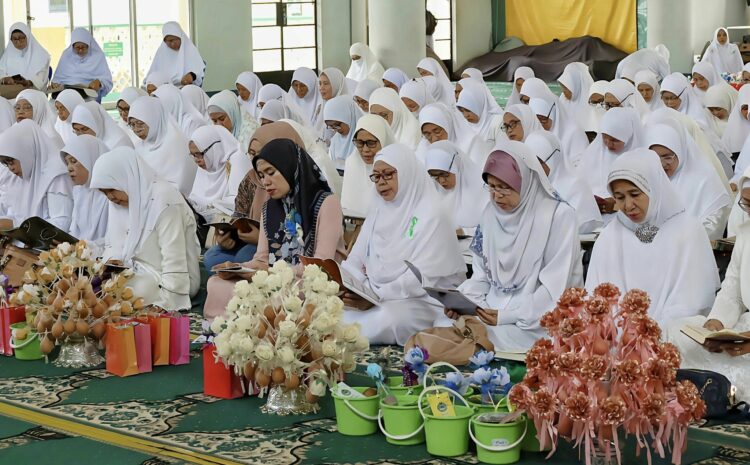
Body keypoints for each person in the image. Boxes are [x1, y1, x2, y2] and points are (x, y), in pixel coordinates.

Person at [436, 142, 583, 350]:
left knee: (484, 336)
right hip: (492, 313)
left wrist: (508, 316)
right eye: (492, 187)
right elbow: (481, 277)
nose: (497, 196)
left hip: (538, 320)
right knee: (443, 323)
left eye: (505, 187)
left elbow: (554, 291)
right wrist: (462, 302)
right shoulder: (491, 213)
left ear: (525, 181)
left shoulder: (558, 217)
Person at [203, 139, 346, 320]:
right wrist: (238, 268)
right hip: (275, 280)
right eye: (261, 176)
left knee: (283, 296)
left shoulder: (326, 203)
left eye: (271, 173)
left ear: (290, 168)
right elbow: (261, 259)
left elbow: (319, 264)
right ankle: (248, 324)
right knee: (217, 283)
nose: (266, 182)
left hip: (312, 281)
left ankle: (254, 323)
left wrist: (271, 275)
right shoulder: (269, 208)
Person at [341, 143, 467, 345]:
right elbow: (355, 259)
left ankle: (347, 335)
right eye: (376, 177)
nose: (381, 183)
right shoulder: (377, 211)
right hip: (374, 295)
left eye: (388, 174)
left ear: (406, 173)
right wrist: (346, 286)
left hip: (420, 300)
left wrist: (375, 296)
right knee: (334, 309)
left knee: (390, 318)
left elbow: (419, 279)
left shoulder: (432, 215)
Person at [585, 149, 719, 327]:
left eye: (635, 194)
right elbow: (596, 297)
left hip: (673, 336)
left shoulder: (688, 231)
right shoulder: (610, 236)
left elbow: (694, 301)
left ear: (654, 188)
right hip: (617, 336)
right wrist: (623, 329)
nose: (628, 205)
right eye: (619, 197)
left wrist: (650, 332)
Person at [90, 147, 200, 311]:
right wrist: (112, 262)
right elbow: (113, 244)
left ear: (126, 178)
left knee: (129, 290)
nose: (110, 197)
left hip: (172, 279)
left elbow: (174, 257)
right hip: (134, 272)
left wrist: (168, 301)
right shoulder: (120, 200)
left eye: (111, 189)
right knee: (94, 282)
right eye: (104, 192)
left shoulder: (165, 200)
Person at [646, 124, 731, 240]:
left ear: (680, 152)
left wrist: (681, 240)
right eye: (655, 157)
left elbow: (715, 223)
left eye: (667, 157)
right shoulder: (650, 179)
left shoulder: (704, 179)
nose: (661, 164)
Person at [0, 120, 73, 231]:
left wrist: (17, 225)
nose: (10, 168)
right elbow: (14, 212)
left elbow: (62, 223)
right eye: (5, 163)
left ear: (26, 151)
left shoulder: (56, 174)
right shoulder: (24, 173)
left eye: (11, 161)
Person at [526, 130, 602, 234]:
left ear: (553, 159)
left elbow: (584, 228)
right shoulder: (529, 186)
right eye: (529, 162)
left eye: (539, 162)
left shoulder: (576, 188)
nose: (534, 168)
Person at [578, 107, 643, 214]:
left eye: (614, 140)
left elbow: (647, 201)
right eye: (604, 137)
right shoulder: (594, 152)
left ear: (629, 137)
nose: (607, 143)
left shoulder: (641, 161)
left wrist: (616, 206)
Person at [128, 96, 197, 196]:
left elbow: (181, 186)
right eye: (132, 124)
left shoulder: (176, 145)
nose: (136, 129)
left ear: (154, 118)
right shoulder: (140, 146)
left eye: (140, 123)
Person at [341, 114, 397, 226]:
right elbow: (346, 208)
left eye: (371, 143)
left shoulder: (395, 166)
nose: (365, 150)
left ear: (383, 140)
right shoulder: (352, 164)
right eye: (360, 143)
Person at [188, 124, 250, 219]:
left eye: (199, 154)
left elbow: (240, 202)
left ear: (214, 147)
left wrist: (213, 206)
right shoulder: (206, 165)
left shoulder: (236, 160)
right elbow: (196, 198)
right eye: (193, 155)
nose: (197, 160)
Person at [424, 140, 486, 232]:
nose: (441, 181)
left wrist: (463, 232)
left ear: (456, 166)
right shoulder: (431, 194)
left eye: (445, 174)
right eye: (435, 176)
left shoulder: (481, 190)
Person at [59, 134, 109, 247]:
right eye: (67, 163)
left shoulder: (111, 194)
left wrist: (86, 247)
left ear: (91, 159)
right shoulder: (79, 191)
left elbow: (115, 237)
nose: (69, 168)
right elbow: (74, 230)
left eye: (73, 161)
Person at [416, 102, 492, 166]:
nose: (434, 139)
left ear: (448, 125)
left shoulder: (472, 144)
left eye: (437, 131)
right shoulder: (424, 146)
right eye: (427, 134)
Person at [51, 27, 112, 102]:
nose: (80, 50)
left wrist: (99, 83)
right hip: (67, 93)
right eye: (77, 48)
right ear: (72, 46)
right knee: (52, 106)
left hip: (88, 95)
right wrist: (55, 85)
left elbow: (107, 81)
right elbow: (57, 79)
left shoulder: (98, 56)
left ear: (89, 45)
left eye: (83, 47)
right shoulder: (66, 56)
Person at [527, 95, 590, 167]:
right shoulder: (534, 131)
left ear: (554, 113)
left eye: (543, 119)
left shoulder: (575, 133)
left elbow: (581, 165)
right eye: (535, 120)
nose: (539, 124)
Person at [144, 22, 205, 88]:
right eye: (168, 41)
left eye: (174, 40)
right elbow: (152, 74)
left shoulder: (190, 51)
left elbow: (198, 73)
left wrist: (191, 76)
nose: (172, 44)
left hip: (184, 89)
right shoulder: (161, 52)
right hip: (162, 89)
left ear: (180, 37)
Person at [0, 23, 50, 91]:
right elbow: (1, 74)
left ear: (27, 36)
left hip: (33, 92)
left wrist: (27, 82)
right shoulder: (7, 56)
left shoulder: (42, 56)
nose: (18, 42)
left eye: (21, 38)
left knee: (23, 101)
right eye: (14, 39)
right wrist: (5, 80)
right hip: (10, 92)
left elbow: (40, 80)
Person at [207, 89, 259, 154]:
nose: (219, 124)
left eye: (222, 118)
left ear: (232, 113)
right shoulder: (216, 132)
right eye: (214, 121)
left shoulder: (251, 132)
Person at [455, 79, 503, 145]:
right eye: (462, 111)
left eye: (468, 110)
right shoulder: (463, 125)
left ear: (479, 104)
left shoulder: (497, 123)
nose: (465, 115)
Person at [324, 95, 363, 173]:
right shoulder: (335, 140)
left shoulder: (364, 139)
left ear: (348, 117)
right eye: (331, 126)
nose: (336, 129)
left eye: (337, 125)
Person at [557, 62, 595, 129]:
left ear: (576, 85)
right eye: (562, 87)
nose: (563, 91)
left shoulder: (593, 104)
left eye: (566, 87)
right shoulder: (562, 100)